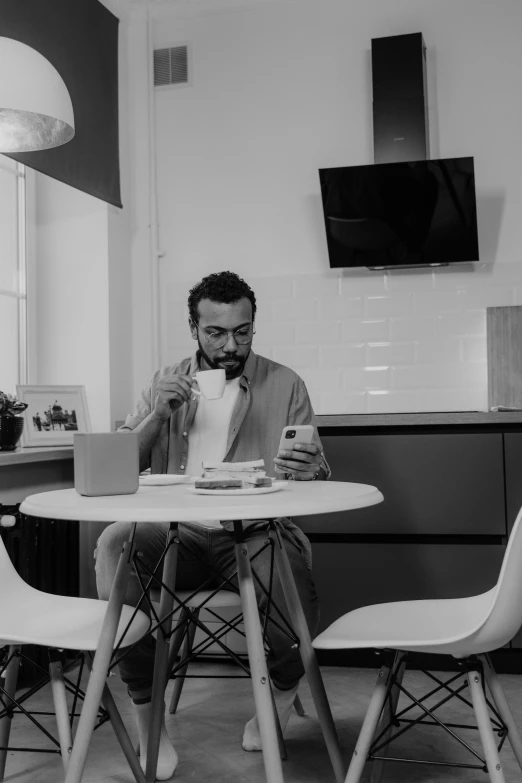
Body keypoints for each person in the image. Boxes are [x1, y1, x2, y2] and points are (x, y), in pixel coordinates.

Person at [94, 271, 329, 779]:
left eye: (242, 332)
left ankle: (281, 697)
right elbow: (119, 466)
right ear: (194, 328)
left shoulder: (285, 383)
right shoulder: (166, 382)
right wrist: (158, 414)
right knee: (115, 542)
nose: (230, 346)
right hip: (175, 532)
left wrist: (309, 467)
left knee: (291, 594)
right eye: (216, 333)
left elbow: (316, 472)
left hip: (255, 530)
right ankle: (149, 722)